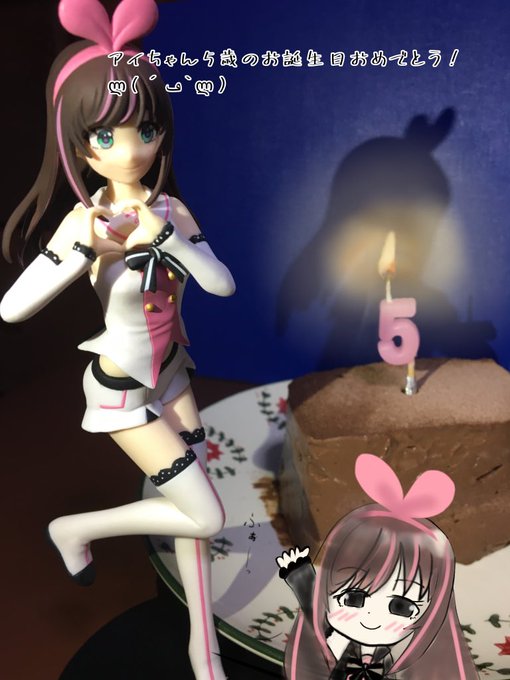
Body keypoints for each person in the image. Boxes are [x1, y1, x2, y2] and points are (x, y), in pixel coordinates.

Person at [1, 1, 234, 678]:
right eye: (107, 136)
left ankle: (204, 648)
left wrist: (166, 239)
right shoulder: (85, 222)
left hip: (174, 372)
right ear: (79, 145)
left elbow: (219, 284)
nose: (131, 151)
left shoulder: (171, 211)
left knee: (190, 505)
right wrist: (81, 250)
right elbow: (13, 309)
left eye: (146, 129)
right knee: (206, 517)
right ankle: (76, 529)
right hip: (123, 387)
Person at [276, 454, 479, 679]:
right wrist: (301, 577)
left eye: (401, 607)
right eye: (353, 598)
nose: (371, 618)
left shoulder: (397, 658)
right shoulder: (332, 644)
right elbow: (315, 615)